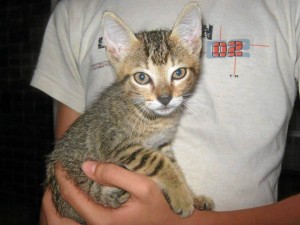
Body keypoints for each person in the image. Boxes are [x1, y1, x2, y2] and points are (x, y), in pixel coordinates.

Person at [31, 0, 300, 224]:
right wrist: (173, 184)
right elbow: (121, 154)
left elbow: (158, 153)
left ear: (194, 44)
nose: (163, 95)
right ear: (116, 53)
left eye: (178, 73)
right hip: (90, 194)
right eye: (142, 78)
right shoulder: (77, 9)